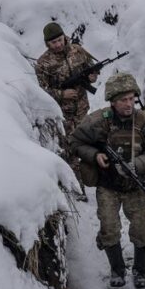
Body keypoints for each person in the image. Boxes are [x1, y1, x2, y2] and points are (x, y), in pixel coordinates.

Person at [69, 73, 145, 288]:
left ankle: (140, 271)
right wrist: (95, 156)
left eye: (132, 98)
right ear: (113, 101)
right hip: (108, 186)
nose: (129, 104)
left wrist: (137, 165)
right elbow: (75, 141)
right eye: (123, 100)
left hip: (135, 185)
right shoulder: (97, 121)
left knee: (141, 229)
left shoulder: (144, 121)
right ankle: (117, 270)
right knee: (109, 228)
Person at [34, 22, 97, 197]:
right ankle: (77, 190)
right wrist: (61, 94)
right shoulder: (43, 63)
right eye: (53, 43)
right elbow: (39, 92)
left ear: (64, 37)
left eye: (60, 40)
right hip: (63, 114)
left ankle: (91, 178)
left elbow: (90, 69)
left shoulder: (77, 50)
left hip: (82, 109)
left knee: (86, 143)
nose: (58, 45)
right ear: (47, 44)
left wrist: (92, 77)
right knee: (70, 150)